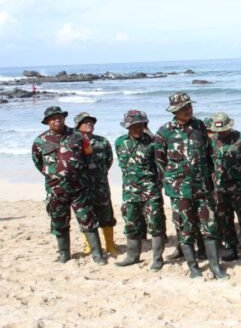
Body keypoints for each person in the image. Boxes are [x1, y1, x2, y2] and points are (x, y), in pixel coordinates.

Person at [155, 92, 228, 280]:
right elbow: (160, 162)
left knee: (209, 227)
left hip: (203, 188)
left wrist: (210, 180)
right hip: (180, 191)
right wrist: (175, 182)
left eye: (189, 106)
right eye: (183, 108)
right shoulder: (164, 132)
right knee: (185, 229)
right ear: (174, 111)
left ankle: (215, 267)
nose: (188, 110)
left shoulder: (200, 126)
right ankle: (194, 268)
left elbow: (209, 154)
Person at [31, 106, 105, 265]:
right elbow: (38, 163)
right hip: (56, 190)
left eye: (59, 117)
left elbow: (88, 155)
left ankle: (97, 255)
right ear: (47, 122)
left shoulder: (78, 136)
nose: (57, 120)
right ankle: (64, 254)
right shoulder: (39, 141)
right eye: (53, 118)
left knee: (88, 221)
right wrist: (54, 175)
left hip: (79, 188)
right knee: (59, 222)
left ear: (64, 118)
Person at [114, 110, 167, 270]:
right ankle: (132, 256)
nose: (137, 129)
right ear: (127, 127)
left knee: (156, 225)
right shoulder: (120, 142)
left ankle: (157, 259)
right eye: (133, 126)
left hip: (150, 192)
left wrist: (159, 185)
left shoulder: (153, 143)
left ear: (145, 125)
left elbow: (161, 165)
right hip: (129, 193)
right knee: (131, 224)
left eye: (140, 125)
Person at [208, 112, 241, 264]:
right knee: (224, 219)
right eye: (218, 130)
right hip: (220, 188)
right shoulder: (212, 141)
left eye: (224, 129)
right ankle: (232, 250)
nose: (221, 132)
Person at [74, 112, 119, 257]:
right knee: (85, 216)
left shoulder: (102, 141)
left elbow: (109, 161)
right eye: (85, 122)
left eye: (91, 122)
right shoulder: (72, 141)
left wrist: (99, 175)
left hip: (100, 185)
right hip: (81, 186)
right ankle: (89, 245)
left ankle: (110, 245)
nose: (89, 124)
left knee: (106, 215)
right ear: (78, 125)